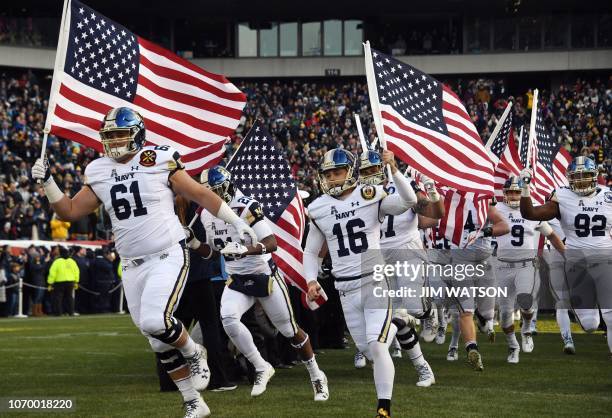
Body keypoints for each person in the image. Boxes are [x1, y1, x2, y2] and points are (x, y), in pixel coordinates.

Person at [32, 106, 258, 418]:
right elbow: (69, 211)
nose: (114, 141)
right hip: (131, 264)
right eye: (109, 136)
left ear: (137, 134)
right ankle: (194, 401)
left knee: (155, 321)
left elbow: (200, 195)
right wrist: (49, 184)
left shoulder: (160, 159)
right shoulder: (98, 169)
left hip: (166, 254)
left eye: (120, 134)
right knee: (155, 340)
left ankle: (195, 352)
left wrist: (237, 221)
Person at [187, 166, 329, 402]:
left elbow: (271, 243)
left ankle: (316, 375)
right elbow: (214, 253)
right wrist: (193, 243)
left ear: (228, 186)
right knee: (229, 320)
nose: (212, 197)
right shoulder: (205, 214)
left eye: (216, 191)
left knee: (289, 330)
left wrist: (246, 250)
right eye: (207, 192)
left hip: (265, 276)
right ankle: (261, 366)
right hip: (237, 280)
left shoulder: (246, 206)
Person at [304, 148, 419, 418]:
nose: (332, 178)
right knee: (369, 350)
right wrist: (311, 279)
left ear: (350, 172)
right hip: (344, 288)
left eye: (337, 172)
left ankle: (384, 409)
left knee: (378, 347)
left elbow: (409, 200)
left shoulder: (369, 195)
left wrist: (394, 170)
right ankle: (398, 324)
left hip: (374, 280)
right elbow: (311, 251)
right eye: (328, 174)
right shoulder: (318, 207)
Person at [357, 150, 442, 384]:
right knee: (395, 317)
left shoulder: (402, 184)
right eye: (364, 171)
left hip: (408, 251)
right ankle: (424, 368)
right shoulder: (361, 195)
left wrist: (432, 192)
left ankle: (428, 311)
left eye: (373, 169)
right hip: (381, 259)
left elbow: (436, 214)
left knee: (412, 308)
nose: (369, 174)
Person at [520, 156, 612, 358]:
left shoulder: (608, 196)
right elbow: (531, 213)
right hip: (577, 264)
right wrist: (525, 189)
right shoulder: (562, 195)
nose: (581, 182)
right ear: (569, 179)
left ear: (595, 177)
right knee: (590, 325)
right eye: (576, 177)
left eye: (585, 176)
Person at [495, 176, 562, 363]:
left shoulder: (530, 210)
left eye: (518, 192)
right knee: (505, 315)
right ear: (505, 193)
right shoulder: (496, 210)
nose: (515, 196)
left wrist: (567, 254)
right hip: (502, 266)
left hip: (526, 265)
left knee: (525, 302)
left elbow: (553, 235)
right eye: (511, 192)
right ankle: (513, 346)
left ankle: (526, 329)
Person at [47, 246, 79, 316]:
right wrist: (76, 281)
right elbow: (76, 271)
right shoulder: (72, 261)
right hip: (70, 282)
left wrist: (50, 283)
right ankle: (71, 312)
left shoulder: (57, 262)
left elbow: (52, 273)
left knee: (58, 298)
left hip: (59, 282)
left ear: (60, 253)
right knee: (69, 298)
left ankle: (58, 312)